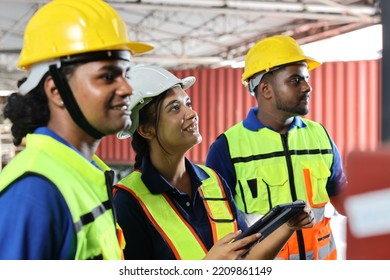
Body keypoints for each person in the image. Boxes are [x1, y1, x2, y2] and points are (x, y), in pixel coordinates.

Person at [0, 0, 153, 260]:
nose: (127, 88)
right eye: (108, 76)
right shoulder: (34, 193)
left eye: (125, 73)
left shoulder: (84, 175)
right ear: (56, 91)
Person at [113, 64, 315, 260]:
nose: (191, 114)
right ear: (146, 129)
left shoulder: (214, 182)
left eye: (188, 104)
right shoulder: (128, 201)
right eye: (175, 108)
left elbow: (245, 259)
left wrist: (288, 226)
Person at [205, 35, 347, 260]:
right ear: (266, 89)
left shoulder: (320, 136)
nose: (307, 87)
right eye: (295, 80)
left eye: (307, 78)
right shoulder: (227, 148)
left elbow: (342, 198)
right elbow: (218, 227)